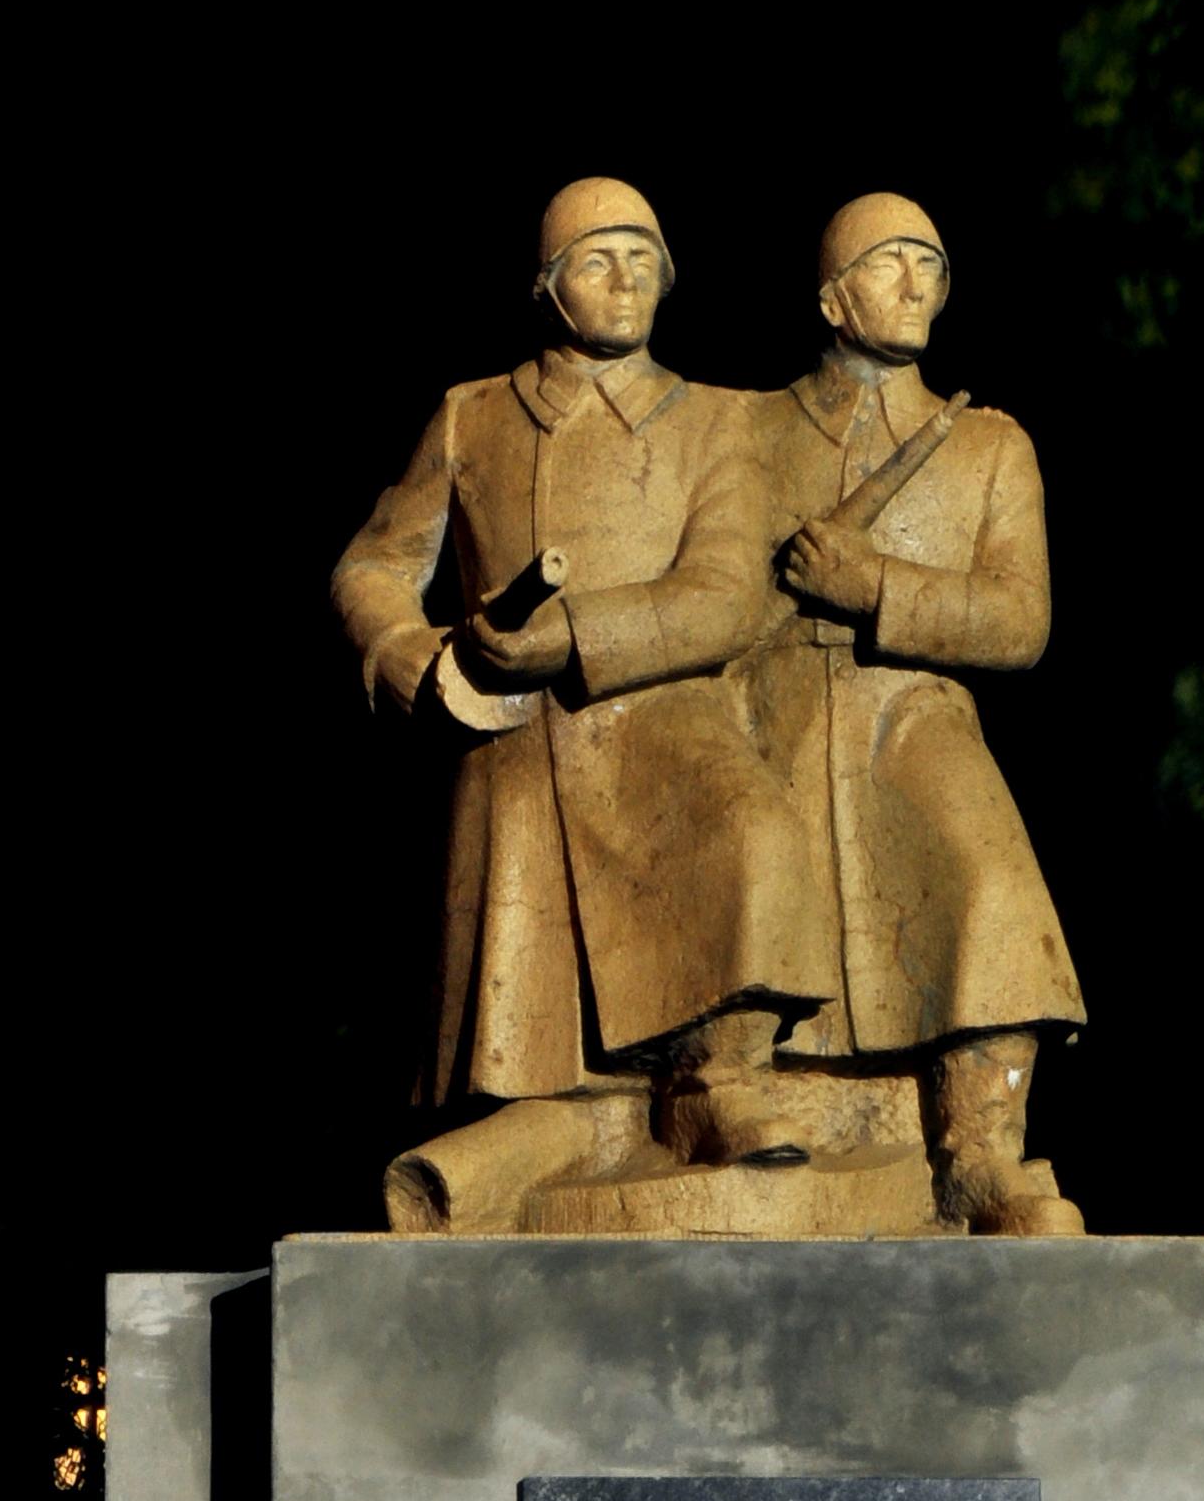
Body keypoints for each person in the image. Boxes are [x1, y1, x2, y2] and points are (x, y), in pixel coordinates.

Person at [330, 178, 838, 1220]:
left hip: (663, 712)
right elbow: (372, 565)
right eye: (599, 260)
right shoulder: (472, 414)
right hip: (513, 737)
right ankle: (545, 1116)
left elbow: (725, 595)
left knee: (755, 830)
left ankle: (717, 1082)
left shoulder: (713, 422)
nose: (625, 281)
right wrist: (414, 656)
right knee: (518, 842)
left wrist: (566, 636)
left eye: (643, 261)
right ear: (547, 285)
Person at [743, 193, 1085, 1234]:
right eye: (892, 264)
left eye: (930, 267)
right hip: (777, 711)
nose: (917, 286)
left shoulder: (987, 446)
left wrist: (876, 586)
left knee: (989, 883)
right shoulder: (745, 430)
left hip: (916, 715)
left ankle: (980, 1155)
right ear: (830, 294)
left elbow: (1020, 621)